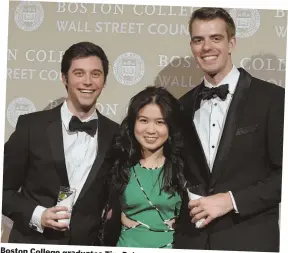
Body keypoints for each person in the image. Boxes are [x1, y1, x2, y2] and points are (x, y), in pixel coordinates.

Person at [174, 7, 284, 252]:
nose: (206, 47)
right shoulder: (181, 107)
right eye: (198, 40)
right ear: (191, 46)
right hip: (191, 241)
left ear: (231, 42)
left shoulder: (272, 99)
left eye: (216, 38)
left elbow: (283, 176)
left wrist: (231, 200)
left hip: (249, 239)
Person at [2, 41, 119, 245]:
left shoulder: (116, 134)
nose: (88, 81)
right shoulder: (31, 127)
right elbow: (4, 190)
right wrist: (39, 215)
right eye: (79, 73)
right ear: (64, 78)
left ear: (104, 81)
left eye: (96, 74)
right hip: (34, 243)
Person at [100, 86, 187, 248]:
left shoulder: (185, 167)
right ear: (133, 123)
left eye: (160, 122)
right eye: (144, 120)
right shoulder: (118, 163)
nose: (151, 130)